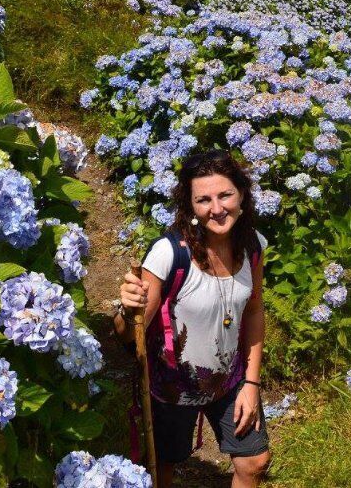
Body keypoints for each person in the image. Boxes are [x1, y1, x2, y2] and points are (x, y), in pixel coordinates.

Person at [114, 149, 271, 488]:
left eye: (225, 194)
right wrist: (127, 311)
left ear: (242, 193)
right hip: (170, 388)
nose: (217, 208)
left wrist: (252, 383)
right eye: (204, 200)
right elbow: (131, 334)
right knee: (162, 470)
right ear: (191, 206)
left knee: (255, 462)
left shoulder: (253, 247)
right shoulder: (169, 254)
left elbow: (255, 310)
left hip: (230, 382)